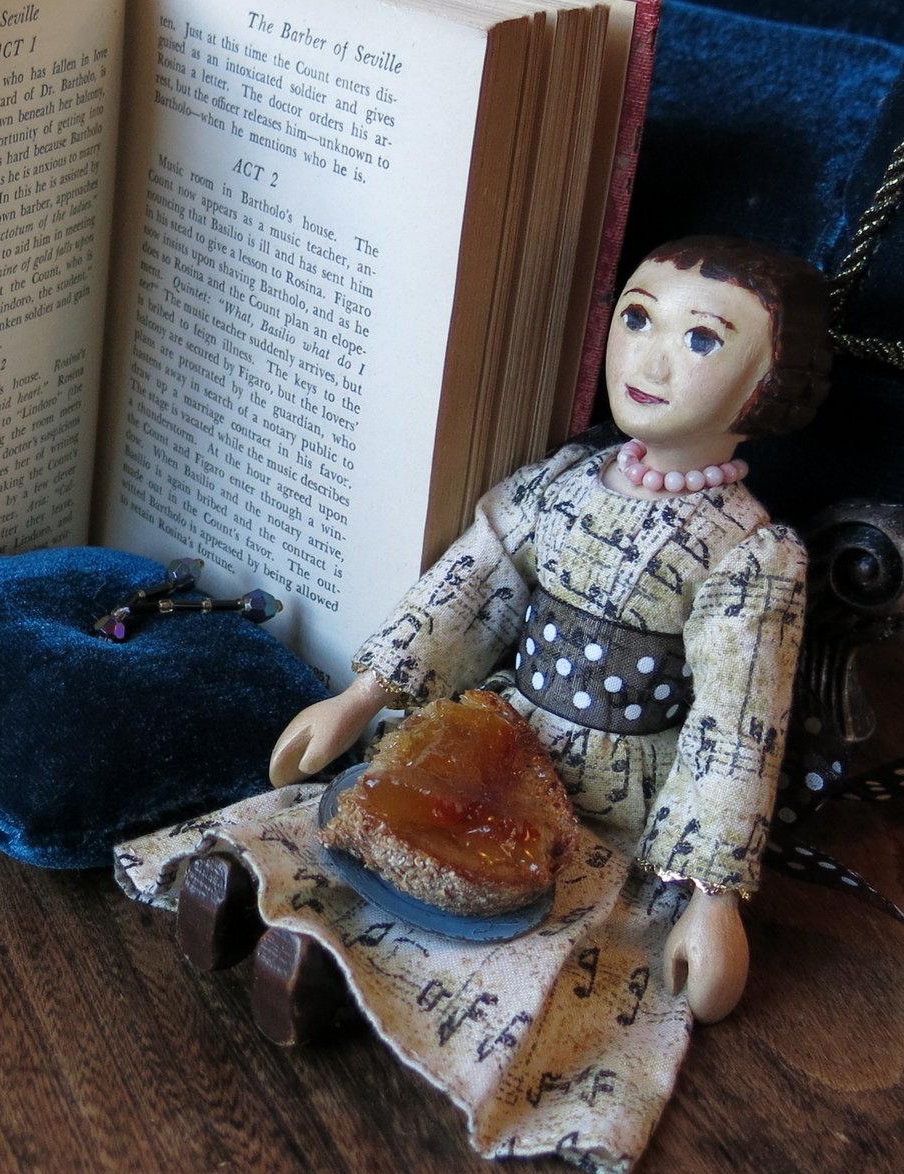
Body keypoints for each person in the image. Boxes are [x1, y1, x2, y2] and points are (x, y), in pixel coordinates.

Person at [269, 234, 832, 1023]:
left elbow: (736, 721)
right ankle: (289, 928)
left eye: (701, 339)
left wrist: (712, 896)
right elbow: (476, 580)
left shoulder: (746, 553)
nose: (649, 360)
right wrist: (362, 696)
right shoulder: (564, 482)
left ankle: (372, 994)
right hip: (500, 733)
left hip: (619, 797)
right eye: (636, 318)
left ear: (768, 379)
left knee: (555, 939)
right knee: (373, 834)